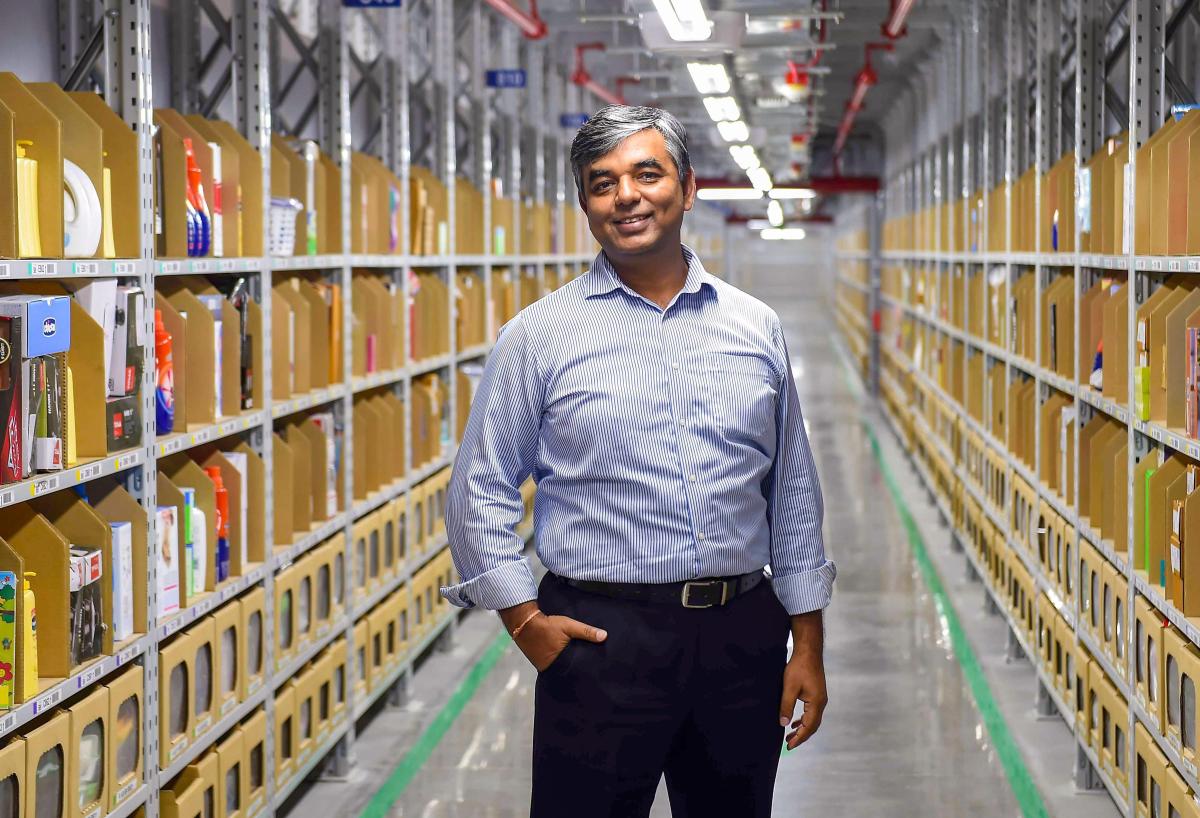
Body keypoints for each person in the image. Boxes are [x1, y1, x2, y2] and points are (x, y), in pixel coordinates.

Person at [442, 104, 836, 818]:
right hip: (599, 638)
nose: (625, 195)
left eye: (646, 174)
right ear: (587, 205)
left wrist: (805, 642)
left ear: (687, 190)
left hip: (740, 635)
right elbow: (478, 486)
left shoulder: (755, 327)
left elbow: (793, 492)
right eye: (602, 182)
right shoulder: (538, 337)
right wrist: (525, 620)